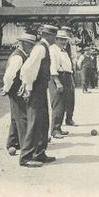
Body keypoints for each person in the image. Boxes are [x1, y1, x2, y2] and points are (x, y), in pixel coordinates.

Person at [18, 24, 58, 168]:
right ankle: (25, 157)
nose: (55, 38)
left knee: (43, 122)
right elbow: (28, 68)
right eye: (53, 36)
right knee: (34, 122)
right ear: (48, 36)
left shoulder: (44, 47)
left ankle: (39, 153)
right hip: (35, 89)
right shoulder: (40, 48)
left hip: (41, 88)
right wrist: (28, 87)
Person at [1, 33, 37, 154]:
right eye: (30, 45)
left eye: (33, 45)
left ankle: (12, 142)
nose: (31, 48)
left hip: (18, 88)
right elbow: (9, 75)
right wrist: (6, 88)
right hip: (16, 89)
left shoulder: (24, 55)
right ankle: (25, 145)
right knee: (22, 117)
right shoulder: (18, 57)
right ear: (23, 44)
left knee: (15, 116)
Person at [48, 30, 75, 139]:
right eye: (62, 39)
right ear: (56, 39)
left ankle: (58, 128)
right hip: (58, 77)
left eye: (65, 39)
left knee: (64, 103)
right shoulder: (53, 50)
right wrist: (57, 81)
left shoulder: (63, 50)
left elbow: (68, 67)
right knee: (58, 104)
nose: (64, 41)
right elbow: (52, 66)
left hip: (67, 77)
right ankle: (54, 130)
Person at [61, 26, 78, 126]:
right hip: (62, 73)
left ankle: (69, 118)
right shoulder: (58, 46)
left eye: (68, 33)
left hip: (71, 71)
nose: (67, 35)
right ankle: (58, 122)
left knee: (71, 96)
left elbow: (74, 56)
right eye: (65, 33)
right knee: (61, 98)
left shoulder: (72, 44)